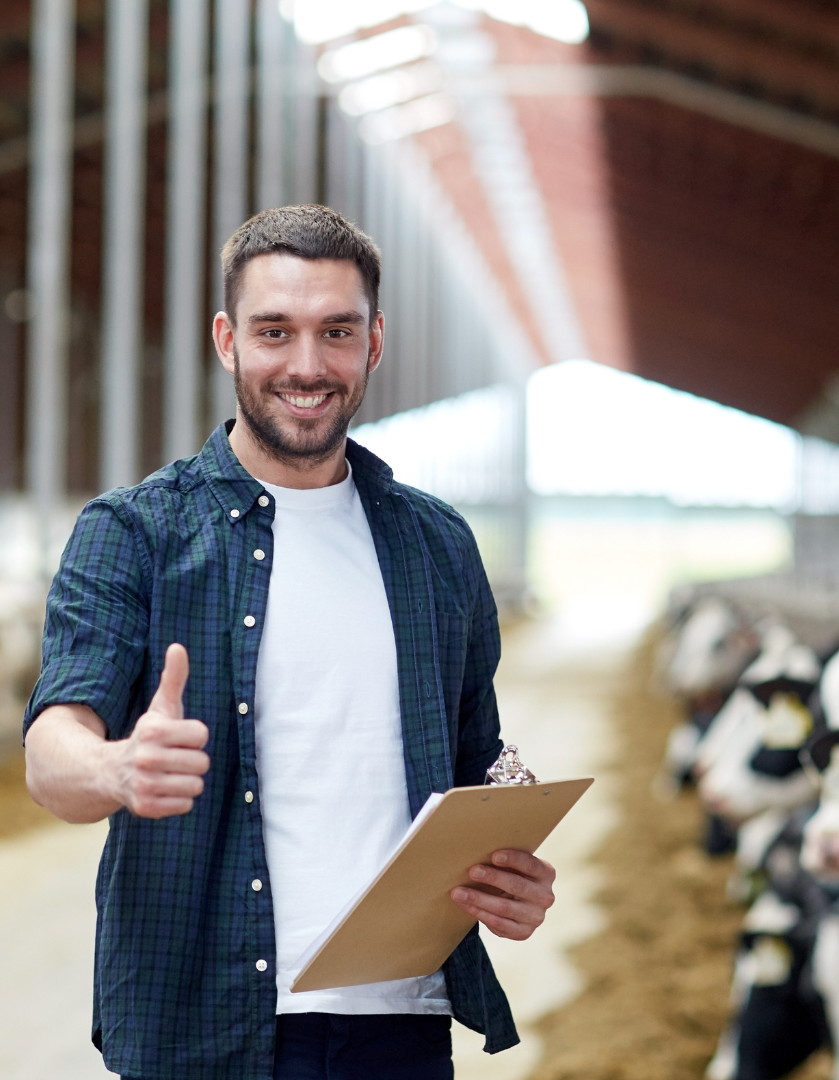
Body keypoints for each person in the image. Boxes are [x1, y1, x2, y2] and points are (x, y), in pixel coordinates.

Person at [23, 205, 556, 1080]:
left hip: (400, 1023)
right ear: (228, 340)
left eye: (335, 332)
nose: (307, 366)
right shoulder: (135, 532)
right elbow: (52, 752)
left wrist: (512, 873)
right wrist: (118, 770)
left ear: (373, 342)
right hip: (200, 1024)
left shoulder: (438, 546)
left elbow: (479, 763)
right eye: (276, 332)